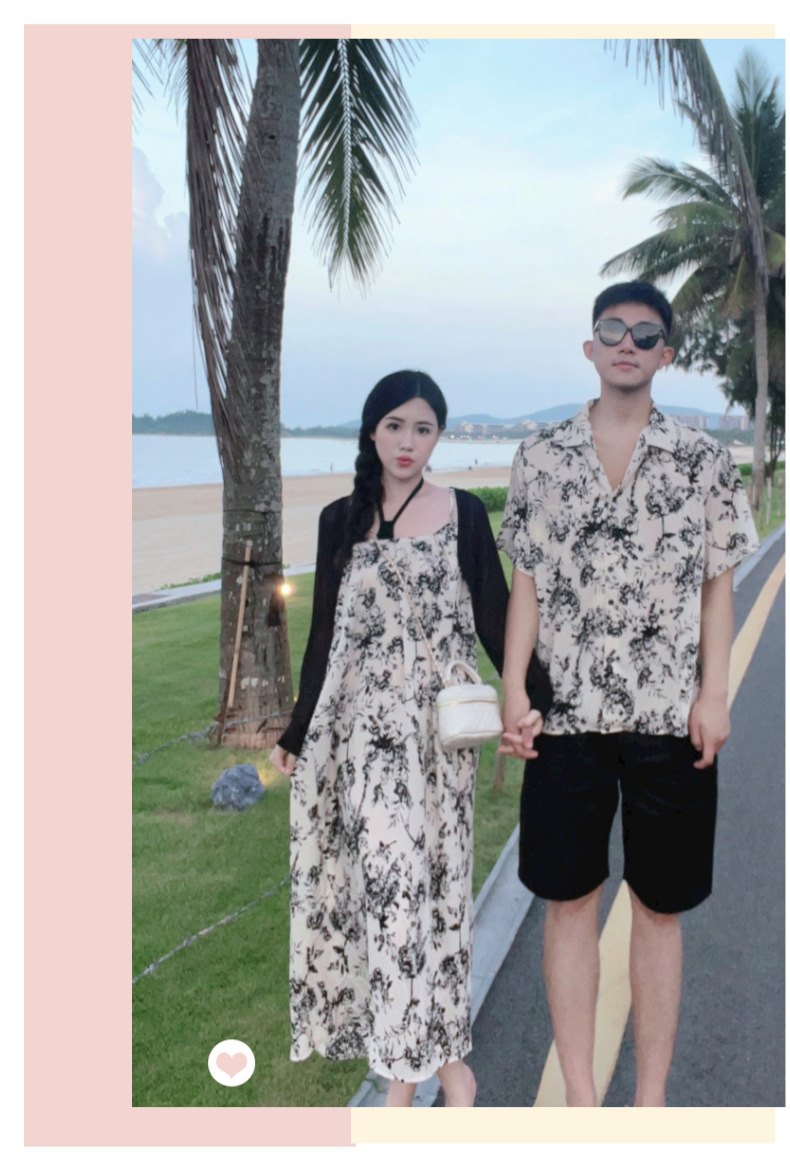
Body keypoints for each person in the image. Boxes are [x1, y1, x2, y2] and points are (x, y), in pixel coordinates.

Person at [497, 281, 759, 1107]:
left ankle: (649, 1100)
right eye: (612, 329)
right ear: (590, 345)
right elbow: (526, 583)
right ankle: (581, 1096)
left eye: (646, 335)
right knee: (569, 904)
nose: (627, 343)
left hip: (668, 717)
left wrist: (715, 693)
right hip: (565, 716)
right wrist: (512, 686)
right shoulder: (540, 457)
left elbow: (718, 586)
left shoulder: (701, 459)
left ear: (665, 355)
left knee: (659, 908)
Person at [270, 370, 549, 1107]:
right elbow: (324, 634)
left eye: (423, 429)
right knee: (390, 905)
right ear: (372, 429)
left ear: (438, 437)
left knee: (437, 903)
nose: (407, 442)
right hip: (362, 745)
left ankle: (446, 1070)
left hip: (440, 748)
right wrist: (298, 730)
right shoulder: (339, 519)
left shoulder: (462, 513)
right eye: (395, 425)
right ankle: (416, 1080)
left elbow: (494, 616)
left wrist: (536, 698)